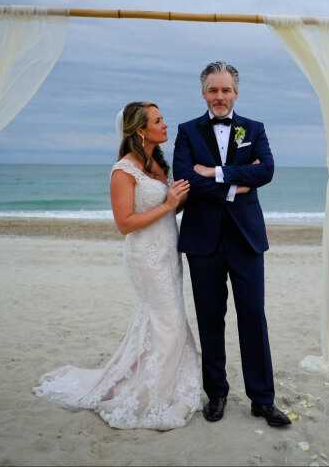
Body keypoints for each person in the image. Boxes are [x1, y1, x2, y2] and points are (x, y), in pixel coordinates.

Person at [33, 101, 202, 430]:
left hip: (168, 250)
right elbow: (125, 223)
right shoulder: (123, 171)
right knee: (169, 322)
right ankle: (155, 394)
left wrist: (178, 204)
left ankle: (160, 384)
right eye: (158, 120)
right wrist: (169, 203)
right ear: (141, 130)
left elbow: (165, 213)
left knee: (162, 322)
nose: (166, 125)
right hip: (146, 256)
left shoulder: (156, 163)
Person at [172, 61, 291, 427]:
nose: (219, 97)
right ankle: (217, 394)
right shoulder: (187, 132)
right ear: (203, 92)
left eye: (225, 90)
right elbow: (185, 178)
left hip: (246, 240)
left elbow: (266, 171)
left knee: (253, 317)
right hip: (202, 241)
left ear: (236, 92)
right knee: (210, 320)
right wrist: (236, 186)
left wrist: (218, 172)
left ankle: (262, 399)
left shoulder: (254, 129)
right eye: (213, 90)